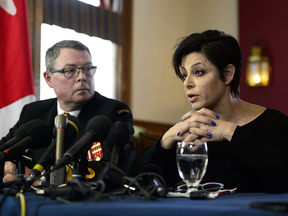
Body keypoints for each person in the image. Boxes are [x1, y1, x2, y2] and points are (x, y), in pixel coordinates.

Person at [129, 29, 288, 193]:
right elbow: (132, 185)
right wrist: (165, 140)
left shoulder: (274, 123)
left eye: (198, 72)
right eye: (184, 75)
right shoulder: (187, 132)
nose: (187, 83)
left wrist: (231, 132)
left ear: (227, 74)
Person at [1, 40, 135, 184]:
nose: (82, 77)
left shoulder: (113, 113)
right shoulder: (33, 112)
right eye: (70, 71)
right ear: (48, 79)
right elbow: (4, 153)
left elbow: (108, 172)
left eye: (88, 69)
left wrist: (37, 179)